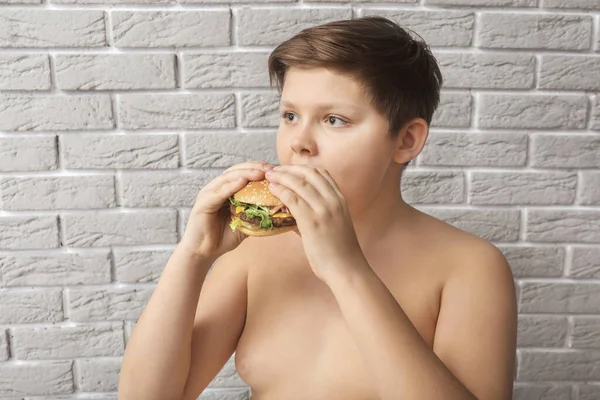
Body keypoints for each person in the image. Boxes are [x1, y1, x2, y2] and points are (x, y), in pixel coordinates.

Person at [118, 16, 517, 400]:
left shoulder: (470, 267)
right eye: (290, 115)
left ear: (406, 141)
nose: (300, 143)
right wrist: (193, 255)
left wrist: (346, 269)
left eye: (335, 120)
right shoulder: (255, 254)